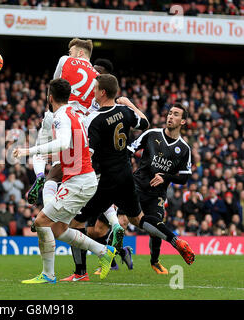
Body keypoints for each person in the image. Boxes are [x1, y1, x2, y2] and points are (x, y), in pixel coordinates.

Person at [63, 75, 194, 282]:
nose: (94, 92)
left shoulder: (94, 119)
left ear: (102, 92)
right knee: (138, 219)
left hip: (107, 179)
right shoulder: (124, 112)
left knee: (76, 222)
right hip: (126, 177)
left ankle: (81, 272)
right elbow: (144, 122)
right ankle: (174, 240)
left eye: (96, 88)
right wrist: (129, 104)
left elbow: (89, 154)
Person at [13, 78, 116, 284]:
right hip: (81, 179)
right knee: (58, 229)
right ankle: (103, 251)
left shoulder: (61, 117)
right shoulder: (74, 114)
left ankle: (48, 275)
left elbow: (61, 143)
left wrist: (28, 151)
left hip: (78, 181)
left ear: (50, 98)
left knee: (41, 222)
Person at [28, 38, 100, 207]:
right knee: (62, 167)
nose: (70, 54)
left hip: (60, 114)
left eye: (71, 51)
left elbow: (55, 85)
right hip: (80, 124)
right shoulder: (99, 77)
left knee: (41, 153)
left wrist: (50, 110)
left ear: (80, 52)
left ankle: (39, 176)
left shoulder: (65, 60)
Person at [126, 103, 193, 274]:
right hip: (137, 186)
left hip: (157, 193)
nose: (170, 116)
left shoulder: (184, 149)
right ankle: (109, 260)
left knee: (156, 228)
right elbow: (128, 151)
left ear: (183, 121)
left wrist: (166, 176)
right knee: (122, 221)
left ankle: (155, 262)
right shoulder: (151, 134)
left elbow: (184, 178)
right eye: (169, 113)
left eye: (176, 114)